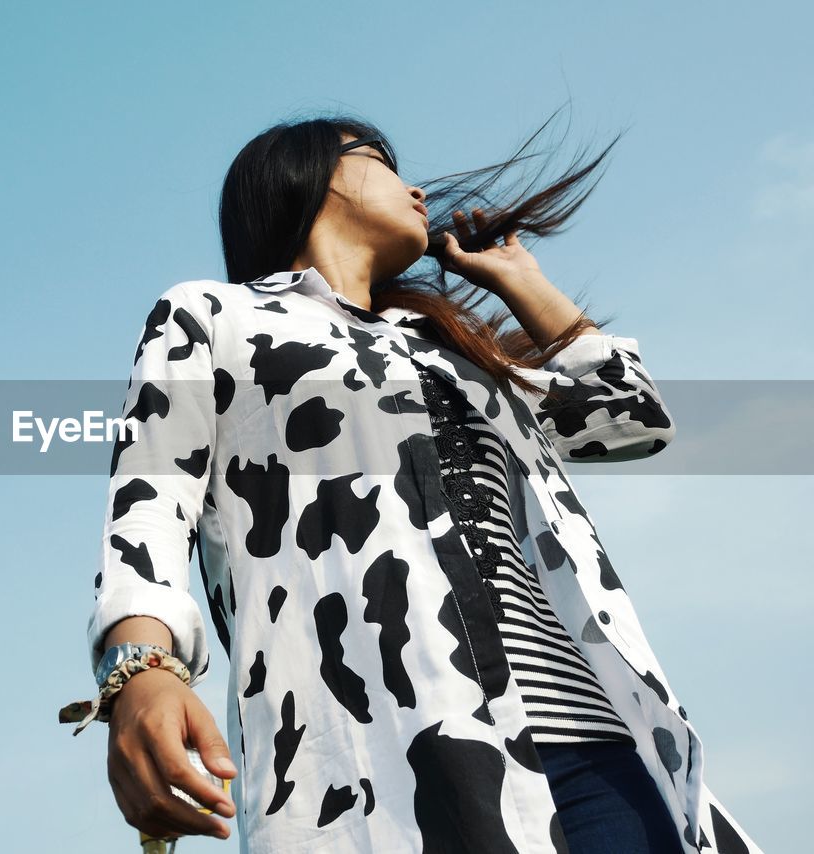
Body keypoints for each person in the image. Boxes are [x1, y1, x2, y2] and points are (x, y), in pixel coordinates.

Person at [79, 112, 764, 853]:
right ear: (306, 175)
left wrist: (523, 283)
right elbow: (151, 502)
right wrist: (141, 670)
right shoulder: (216, 317)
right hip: (397, 751)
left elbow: (629, 415)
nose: (415, 188)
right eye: (379, 160)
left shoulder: (457, 358)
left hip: (596, 744)